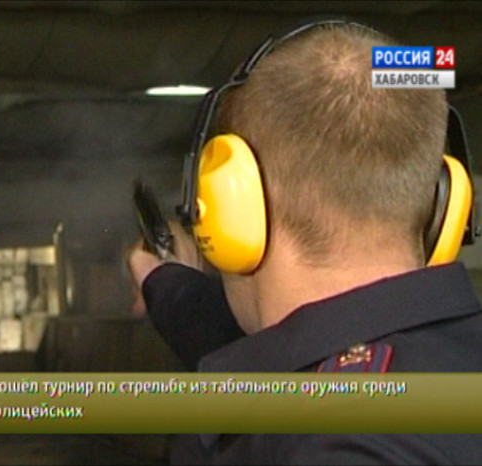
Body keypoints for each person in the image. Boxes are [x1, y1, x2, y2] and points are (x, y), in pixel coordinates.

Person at [127, 20, 482, 464]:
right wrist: (162, 278)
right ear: (445, 207)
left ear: (227, 211)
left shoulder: (338, 446)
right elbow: (261, 339)